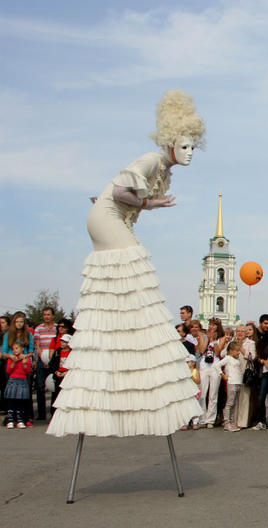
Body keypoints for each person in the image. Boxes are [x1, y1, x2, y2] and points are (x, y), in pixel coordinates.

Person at [48, 90, 204, 438]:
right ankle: (129, 340)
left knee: (130, 279)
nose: (190, 152)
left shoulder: (164, 170)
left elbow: (117, 195)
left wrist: (149, 204)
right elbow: (119, 192)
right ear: (170, 142)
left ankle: (123, 351)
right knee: (136, 268)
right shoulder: (151, 159)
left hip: (109, 217)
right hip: (106, 218)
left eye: (194, 146)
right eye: (185, 145)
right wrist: (148, 202)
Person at [199, 317, 227, 428]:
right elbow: (201, 350)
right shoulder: (203, 335)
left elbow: (217, 351)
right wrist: (208, 338)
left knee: (213, 394)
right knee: (202, 393)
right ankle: (202, 418)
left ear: (218, 326)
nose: (211, 327)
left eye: (214, 325)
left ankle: (210, 419)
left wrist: (214, 341)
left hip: (215, 364)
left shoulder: (222, 337)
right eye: (210, 324)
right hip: (204, 364)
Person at [32, 306, 57, 421]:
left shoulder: (57, 328)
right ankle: (41, 414)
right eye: (44, 315)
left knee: (53, 385)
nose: (46, 317)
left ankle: (54, 412)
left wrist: (50, 360)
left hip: (53, 360)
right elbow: (37, 344)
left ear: (52, 316)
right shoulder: (38, 329)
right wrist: (43, 358)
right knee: (40, 386)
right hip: (42, 360)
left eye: (48, 314)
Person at [4, 341, 32, 428]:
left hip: (22, 380)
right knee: (11, 400)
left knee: (20, 401)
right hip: (12, 380)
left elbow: (28, 371)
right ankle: (10, 420)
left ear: (22, 349)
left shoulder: (26, 359)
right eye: (13, 349)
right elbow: (8, 371)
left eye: (16, 348)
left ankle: (20, 420)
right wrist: (13, 362)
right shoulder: (10, 359)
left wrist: (24, 364)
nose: (15, 350)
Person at [219, 341, 242, 432]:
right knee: (229, 403)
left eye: (239, 351)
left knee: (234, 403)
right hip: (231, 382)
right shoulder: (227, 358)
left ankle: (232, 422)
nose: (238, 353)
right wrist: (223, 375)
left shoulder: (237, 359)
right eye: (237, 351)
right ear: (231, 351)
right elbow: (217, 366)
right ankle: (227, 422)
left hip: (238, 382)